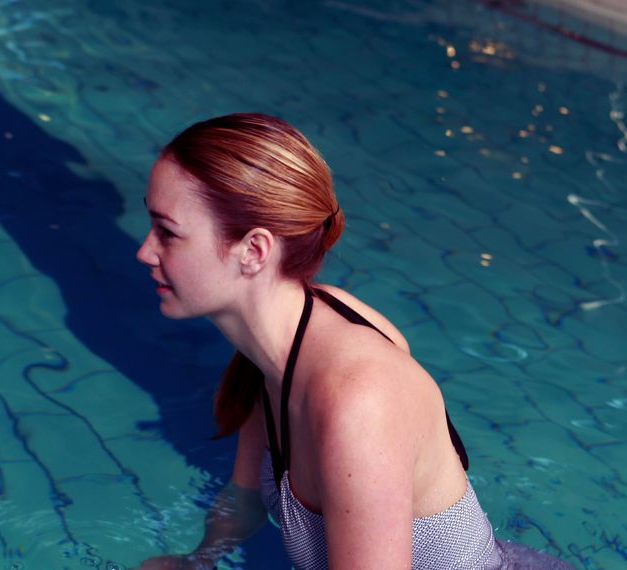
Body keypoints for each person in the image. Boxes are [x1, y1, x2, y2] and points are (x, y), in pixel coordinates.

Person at [134, 114, 572, 569]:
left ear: (254, 251)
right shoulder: (272, 352)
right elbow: (243, 500)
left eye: (167, 232)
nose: (144, 251)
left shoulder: (358, 398)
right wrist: (199, 560)